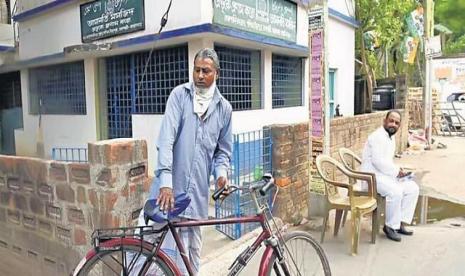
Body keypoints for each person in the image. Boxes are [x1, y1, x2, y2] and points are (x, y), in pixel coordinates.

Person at [138, 48, 232, 275]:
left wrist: (221, 174)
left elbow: (223, 152)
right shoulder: (179, 96)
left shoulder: (224, 110)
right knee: (151, 257)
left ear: (216, 74)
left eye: (206, 71)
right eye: (197, 70)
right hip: (167, 195)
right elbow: (166, 140)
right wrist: (166, 182)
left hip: (195, 199)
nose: (200, 75)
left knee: (189, 261)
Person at [360, 110, 419, 242]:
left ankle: (400, 224)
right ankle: (390, 227)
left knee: (412, 188)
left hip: (384, 176)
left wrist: (399, 172)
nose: (393, 124)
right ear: (385, 121)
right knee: (396, 191)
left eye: (397, 123)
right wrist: (396, 172)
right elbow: (377, 161)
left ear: (399, 126)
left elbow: (387, 162)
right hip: (371, 178)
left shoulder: (390, 138)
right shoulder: (377, 137)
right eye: (391, 121)